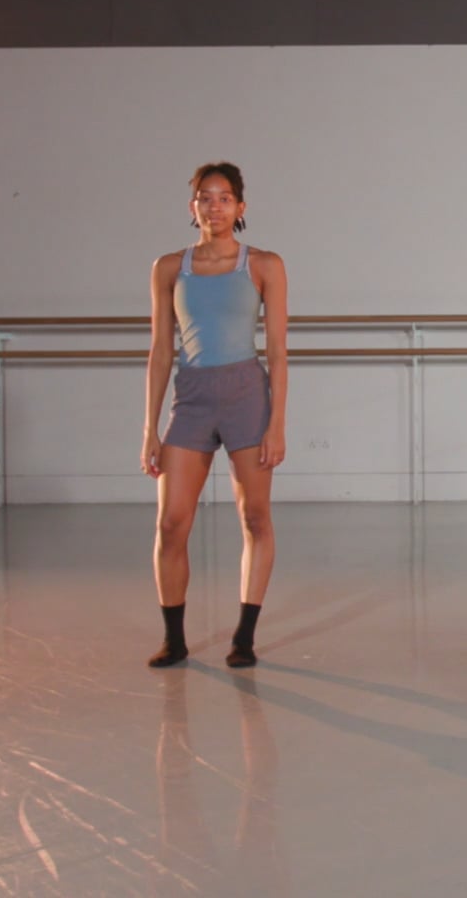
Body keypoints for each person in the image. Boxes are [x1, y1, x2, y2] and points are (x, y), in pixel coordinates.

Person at [140, 162, 289, 669]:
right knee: (171, 524)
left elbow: (279, 351)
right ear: (193, 207)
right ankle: (174, 638)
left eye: (225, 198)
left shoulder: (263, 264)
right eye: (206, 197)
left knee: (255, 518)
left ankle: (244, 636)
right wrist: (150, 430)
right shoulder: (168, 267)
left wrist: (276, 424)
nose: (215, 206)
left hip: (248, 393)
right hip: (193, 396)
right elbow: (161, 351)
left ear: (240, 208)